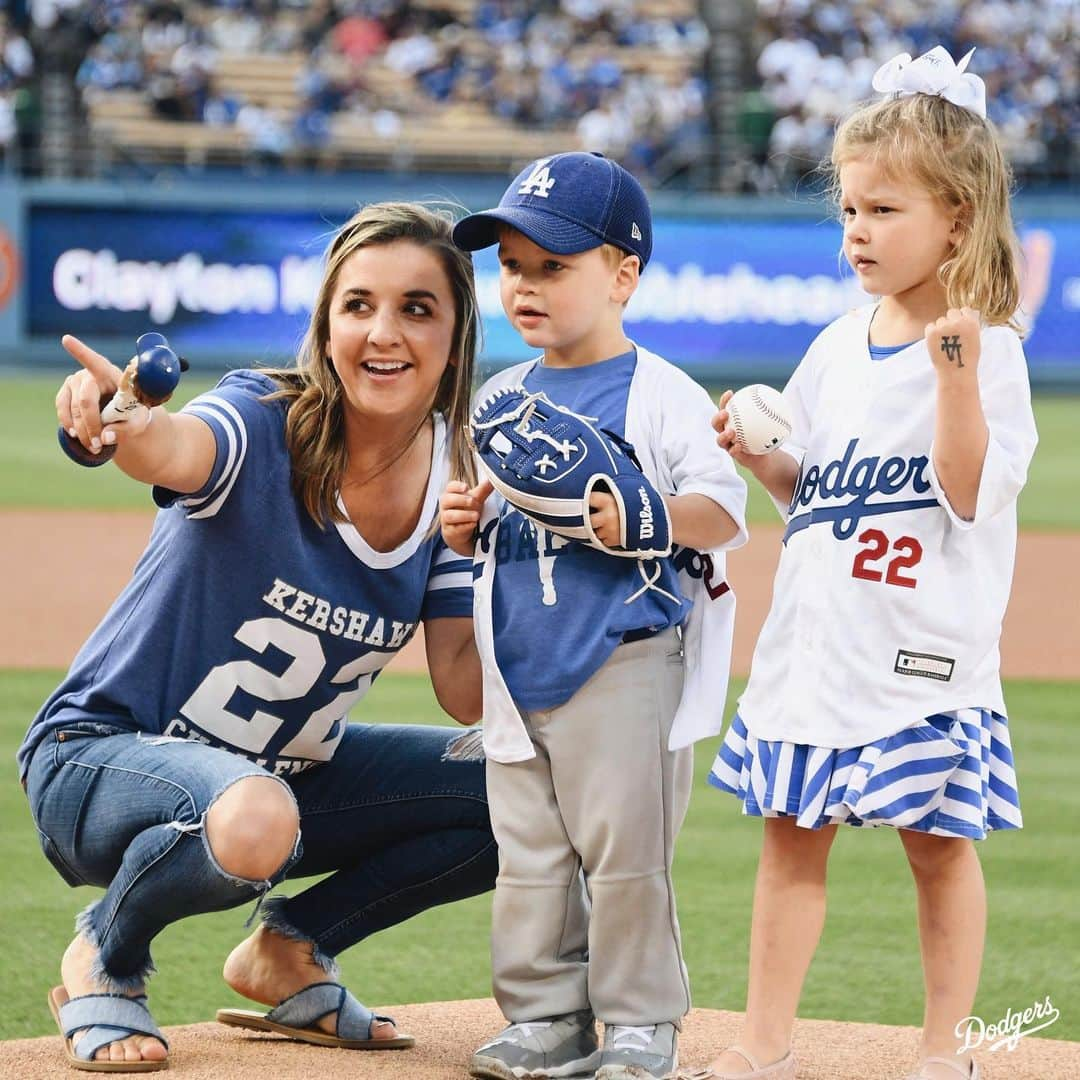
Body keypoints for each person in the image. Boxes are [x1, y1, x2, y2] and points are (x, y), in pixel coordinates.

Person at [20, 202, 498, 1073]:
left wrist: (523, 572)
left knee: (525, 791)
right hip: (97, 760)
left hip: (276, 781)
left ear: (458, 331)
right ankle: (107, 954)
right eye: (357, 306)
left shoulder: (457, 477)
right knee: (256, 815)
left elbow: (465, 690)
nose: (383, 332)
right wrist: (115, 422)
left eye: (417, 308)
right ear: (326, 323)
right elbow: (168, 447)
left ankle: (289, 949)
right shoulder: (262, 417)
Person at [690, 47, 1037, 1080]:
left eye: (885, 211)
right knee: (791, 838)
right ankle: (763, 1044)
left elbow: (969, 493)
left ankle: (945, 1052)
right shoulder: (837, 347)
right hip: (818, 646)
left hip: (920, 655)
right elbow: (818, 503)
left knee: (937, 848)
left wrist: (960, 380)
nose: (857, 231)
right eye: (849, 210)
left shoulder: (994, 352)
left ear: (959, 220)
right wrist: (763, 459)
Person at [440, 151, 748, 1080]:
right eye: (512, 268)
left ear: (623, 276)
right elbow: (491, 514)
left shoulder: (660, 392)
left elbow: (724, 507)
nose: (525, 287)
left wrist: (649, 516)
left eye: (554, 267)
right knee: (528, 856)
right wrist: (465, 524)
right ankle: (543, 1019)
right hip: (520, 660)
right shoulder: (499, 399)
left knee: (624, 859)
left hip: (623, 654)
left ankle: (639, 1025)